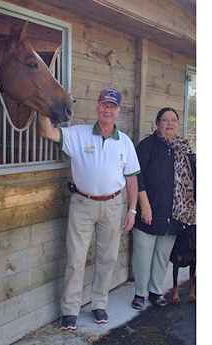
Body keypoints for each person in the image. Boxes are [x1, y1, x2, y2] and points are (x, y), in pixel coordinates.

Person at [37, 88, 140, 331]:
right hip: (83, 204)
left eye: (112, 106)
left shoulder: (124, 142)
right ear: (97, 106)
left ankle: (99, 304)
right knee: (75, 258)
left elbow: (132, 178)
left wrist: (132, 210)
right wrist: (41, 102)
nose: (107, 110)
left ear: (117, 111)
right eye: (104, 104)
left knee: (108, 257)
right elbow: (46, 131)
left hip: (114, 205)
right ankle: (70, 309)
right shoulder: (79, 134)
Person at [130, 107, 195, 309]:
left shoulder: (184, 150)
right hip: (149, 210)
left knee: (162, 256)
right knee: (143, 254)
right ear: (157, 123)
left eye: (173, 120)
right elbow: (136, 175)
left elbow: (195, 179)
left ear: (178, 124)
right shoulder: (147, 146)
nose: (169, 123)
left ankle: (155, 291)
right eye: (165, 120)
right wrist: (144, 205)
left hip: (175, 215)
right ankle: (140, 293)